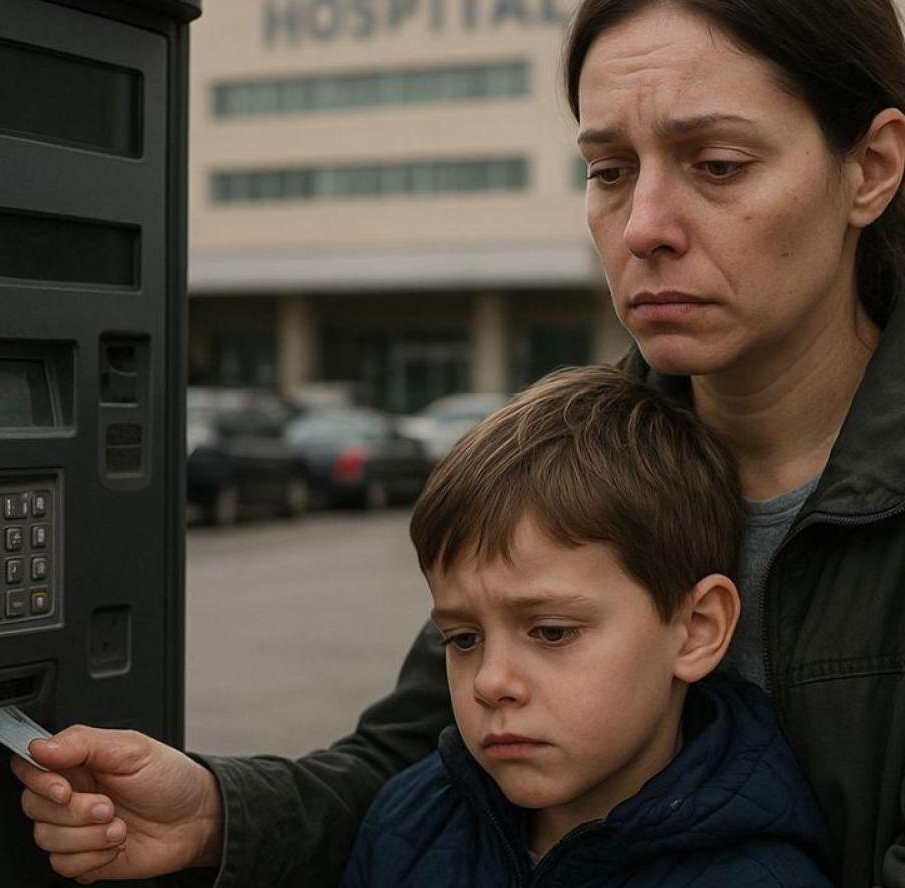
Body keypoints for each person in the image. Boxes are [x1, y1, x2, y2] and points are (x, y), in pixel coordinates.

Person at [10, 0, 905, 884]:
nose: (644, 224)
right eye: (608, 171)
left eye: (715, 165)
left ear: (867, 168)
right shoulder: (577, 453)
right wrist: (213, 812)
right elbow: (421, 764)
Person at [338, 366, 830, 885]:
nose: (489, 683)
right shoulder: (407, 822)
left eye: (552, 631)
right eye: (464, 639)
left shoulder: (757, 876)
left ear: (697, 630)